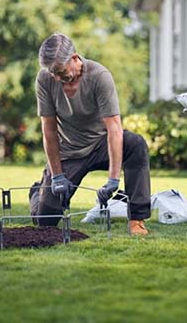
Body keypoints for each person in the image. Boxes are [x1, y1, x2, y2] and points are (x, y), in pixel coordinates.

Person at [32, 33, 150, 235]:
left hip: (101, 144)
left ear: (75, 58)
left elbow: (114, 128)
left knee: (135, 144)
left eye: (61, 72)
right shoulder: (45, 79)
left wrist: (113, 180)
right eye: (53, 74)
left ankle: (137, 220)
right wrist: (58, 176)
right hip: (69, 151)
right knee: (45, 221)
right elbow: (49, 130)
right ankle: (38, 190)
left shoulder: (99, 76)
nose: (57, 78)